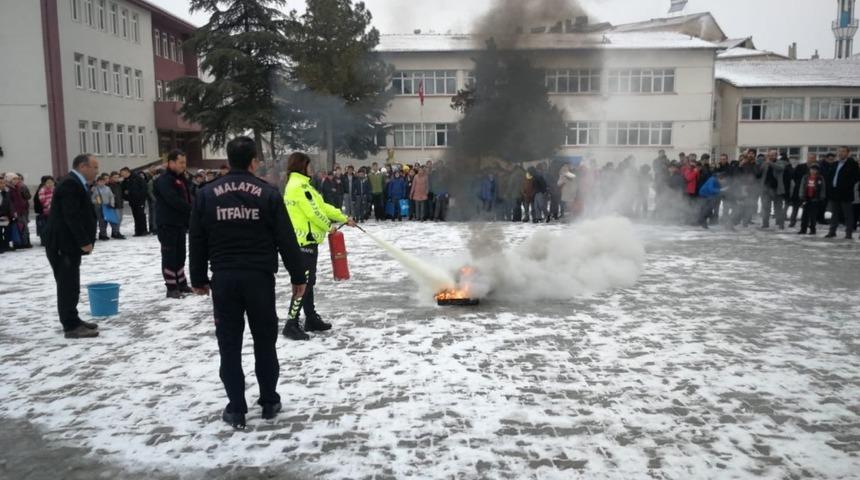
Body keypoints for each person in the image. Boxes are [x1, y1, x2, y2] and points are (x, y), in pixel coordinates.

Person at [189, 136, 308, 430]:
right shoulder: (267, 193)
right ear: (254, 161)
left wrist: (198, 279)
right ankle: (269, 402)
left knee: (229, 346)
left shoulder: (207, 194)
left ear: (228, 161)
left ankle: (237, 408)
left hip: (224, 279)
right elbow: (286, 238)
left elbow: (197, 239)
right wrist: (298, 277)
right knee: (265, 342)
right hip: (259, 279)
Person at [282, 152, 356, 341]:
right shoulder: (298, 187)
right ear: (301, 166)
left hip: (308, 242)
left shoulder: (304, 186)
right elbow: (314, 213)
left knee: (308, 282)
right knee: (302, 284)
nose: (312, 168)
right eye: (309, 165)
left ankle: (311, 318)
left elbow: (322, 206)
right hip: (302, 242)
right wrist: (328, 227)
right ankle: (291, 323)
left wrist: (343, 218)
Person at [43, 154, 99, 338]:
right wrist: (84, 241)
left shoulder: (75, 182)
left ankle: (73, 318)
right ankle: (70, 326)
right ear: (83, 166)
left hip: (68, 244)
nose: (96, 171)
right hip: (63, 244)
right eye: (94, 167)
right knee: (67, 284)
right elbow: (71, 216)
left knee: (71, 283)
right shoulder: (70, 183)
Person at [154, 150, 193, 298]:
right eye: (181, 162)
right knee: (169, 254)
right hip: (167, 223)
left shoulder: (181, 178)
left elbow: (188, 196)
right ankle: (171, 286)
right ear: (171, 163)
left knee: (180, 254)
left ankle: (181, 283)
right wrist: (192, 209)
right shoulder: (164, 180)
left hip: (180, 223)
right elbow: (173, 200)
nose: (184, 165)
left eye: (185, 162)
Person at [825, 146, 859, 239]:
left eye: (843, 151)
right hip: (834, 193)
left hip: (845, 193)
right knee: (834, 214)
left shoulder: (852, 164)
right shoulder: (835, 164)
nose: (840, 153)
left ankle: (848, 233)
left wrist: (846, 186)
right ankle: (832, 232)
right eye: (839, 151)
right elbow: (830, 177)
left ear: (848, 153)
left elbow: (855, 178)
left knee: (847, 215)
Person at [798, 164, 826, 235]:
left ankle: (812, 229)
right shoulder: (805, 177)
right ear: (809, 170)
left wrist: (822, 197)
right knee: (805, 215)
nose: (813, 171)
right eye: (812, 169)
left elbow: (823, 188)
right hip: (806, 198)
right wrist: (801, 195)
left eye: (815, 170)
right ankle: (803, 229)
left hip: (815, 199)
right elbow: (802, 186)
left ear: (817, 171)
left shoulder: (820, 178)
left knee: (813, 216)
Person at [121, 167, 149, 236]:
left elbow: (144, 188)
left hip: (140, 200)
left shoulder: (137, 178)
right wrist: (127, 196)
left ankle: (143, 230)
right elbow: (123, 192)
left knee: (141, 215)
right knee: (136, 216)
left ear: (127, 172)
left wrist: (141, 197)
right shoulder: (124, 181)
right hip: (132, 201)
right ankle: (138, 231)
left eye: (123, 173)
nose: (122, 175)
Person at [34, 176, 55, 244]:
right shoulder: (42, 190)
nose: (50, 184)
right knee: (45, 227)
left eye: (51, 182)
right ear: (44, 183)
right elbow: (42, 200)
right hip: (46, 212)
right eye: (48, 182)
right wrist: (50, 205)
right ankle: (45, 241)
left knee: (53, 227)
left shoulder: (54, 189)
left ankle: (53, 240)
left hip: (54, 211)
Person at [108, 172, 126, 239]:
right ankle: (116, 232)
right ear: (111, 178)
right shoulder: (109, 186)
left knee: (120, 219)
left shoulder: (119, 185)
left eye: (117, 177)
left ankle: (115, 232)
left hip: (120, 204)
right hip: (114, 205)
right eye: (115, 177)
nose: (116, 179)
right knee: (116, 219)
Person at [0, 175, 12, 253]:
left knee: (7, 231)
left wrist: (10, 214)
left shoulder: (6, 192)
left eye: (4, 183)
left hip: (5, 215)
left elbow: (10, 203)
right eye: (1, 183)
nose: (2, 184)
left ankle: (6, 245)